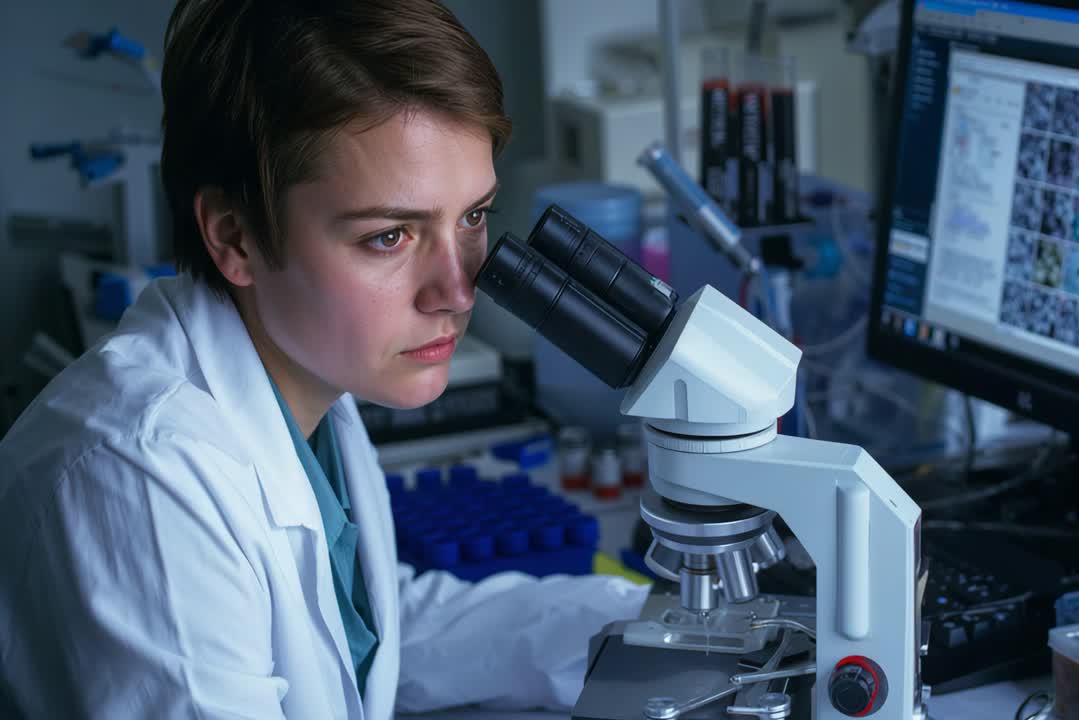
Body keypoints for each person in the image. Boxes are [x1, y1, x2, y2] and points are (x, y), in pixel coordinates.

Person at [0, 1, 648, 717]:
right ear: (236, 236)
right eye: (389, 237)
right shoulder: (144, 478)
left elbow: (368, 634)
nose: (460, 289)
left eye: (471, 216)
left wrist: (656, 625)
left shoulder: (307, 384)